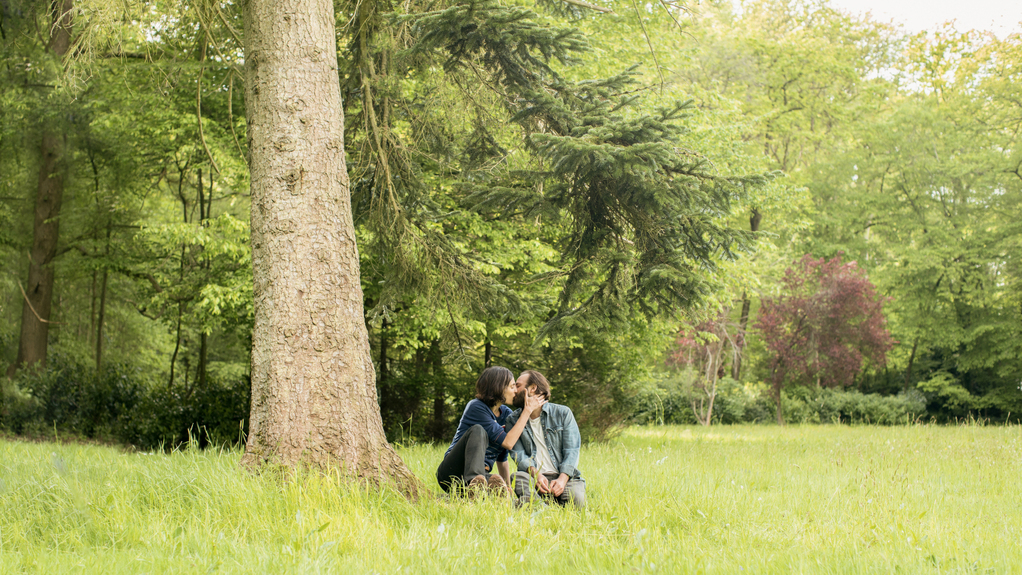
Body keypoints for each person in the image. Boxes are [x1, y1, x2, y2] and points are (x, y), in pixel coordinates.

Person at [436, 366, 546, 496]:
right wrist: (527, 410)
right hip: (452, 472)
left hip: (482, 474)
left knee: (498, 483)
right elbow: (508, 442)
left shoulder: (506, 415)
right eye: (512, 387)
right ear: (499, 388)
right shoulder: (476, 407)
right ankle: (474, 484)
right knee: (478, 430)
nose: (516, 391)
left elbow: (502, 458)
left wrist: (508, 487)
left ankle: (478, 489)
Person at [506, 370, 585, 509]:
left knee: (577, 502)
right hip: (533, 478)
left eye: (517, 385)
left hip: (564, 477)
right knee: (517, 477)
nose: (513, 390)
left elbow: (572, 450)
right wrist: (537, 476)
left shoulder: (562, 413)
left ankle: (538, 505)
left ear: (532, 388)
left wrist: (562, 479)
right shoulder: (512, 420)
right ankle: (543, 508)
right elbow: (518, 454)